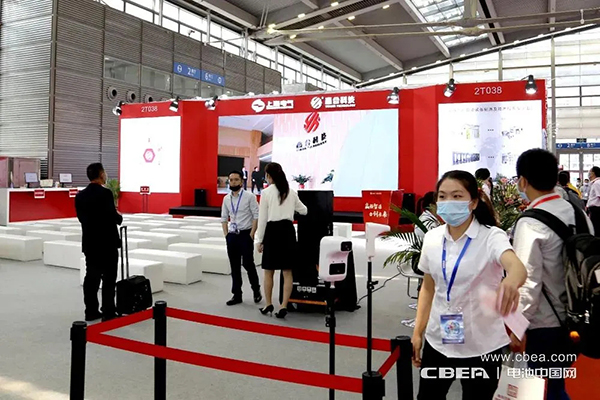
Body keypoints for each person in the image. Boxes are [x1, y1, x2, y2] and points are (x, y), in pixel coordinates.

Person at [412, 170, 527, 400]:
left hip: (481, 345)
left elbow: (516, 267)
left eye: (457, 196)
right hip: (439, 340)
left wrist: (512, 281)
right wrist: (418, 332)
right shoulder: (432, 238)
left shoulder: (491, 237)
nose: (448, 202)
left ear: (473, 202)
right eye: (442, 196)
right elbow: (428, 288)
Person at [511, 149, 594, 399]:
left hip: (545, 323)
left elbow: (527, 281)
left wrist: (517, 327)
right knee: (557, 383)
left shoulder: (530, 222)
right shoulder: (578, 212)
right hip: (579, 317)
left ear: (523, 181)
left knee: (543, 387)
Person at [256, 162, 307, 319]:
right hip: (287, 232)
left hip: (272, 232)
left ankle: (268, 304)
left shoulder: (266, 193)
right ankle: (284, 305)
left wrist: (259, 240)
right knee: (287, 271)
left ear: (269, 176)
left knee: (268, 271)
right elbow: (304, 210)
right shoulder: (290, 192)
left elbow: (262, 219)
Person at [75, 163, 123, 322]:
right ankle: (108, 311)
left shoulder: (80, 196)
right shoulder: (106, 193)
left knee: (91, 278)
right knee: (109, 278)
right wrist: (119, 216)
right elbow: (113, 216)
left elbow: (82, 219)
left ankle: (91, 311)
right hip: (107, 243)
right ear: (101, 174)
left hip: (90, 243)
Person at [221, 171, 262, 306]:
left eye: (236, 179)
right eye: (231, 180)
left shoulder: (250, 197)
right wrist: (226, 235)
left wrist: (252, 234)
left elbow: (256, 216)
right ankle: (237, 294)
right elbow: (224, 218)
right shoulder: (226, 199)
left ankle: (256, 290)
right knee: (234, 266)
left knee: (248, 263)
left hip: (246, 234)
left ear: (241, 181)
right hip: (232, 235)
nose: (233, 182)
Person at [587, 166, 600, 236]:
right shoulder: (594, 183)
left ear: (593, 173)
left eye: (590, 171)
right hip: (594, 209)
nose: (589, 173)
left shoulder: (597, 183)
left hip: (596, 209)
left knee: (596, 229)